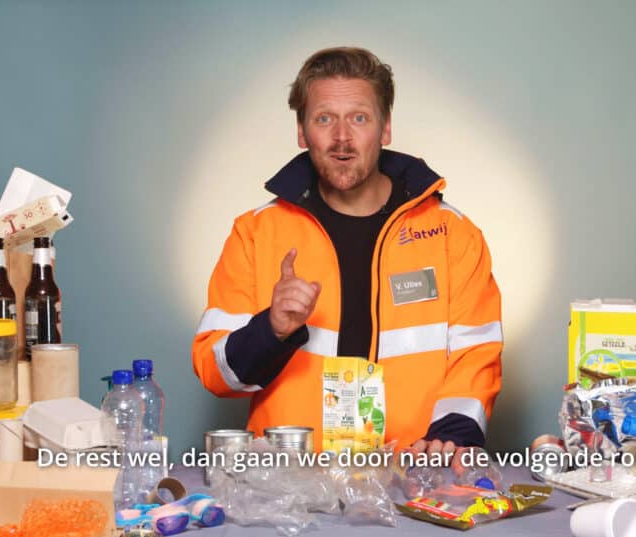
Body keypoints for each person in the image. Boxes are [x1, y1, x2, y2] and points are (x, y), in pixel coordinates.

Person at [192, 47, 502, 457]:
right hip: (292, 485)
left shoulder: (452, 234)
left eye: (359, 118)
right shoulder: (255, 232)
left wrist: (449, 440)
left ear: (385, 128)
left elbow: (475, 354)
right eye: (324, 119)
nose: (342, 138)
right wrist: (272, 328)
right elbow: (216, 375)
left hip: (412, 477)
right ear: (302, 132)